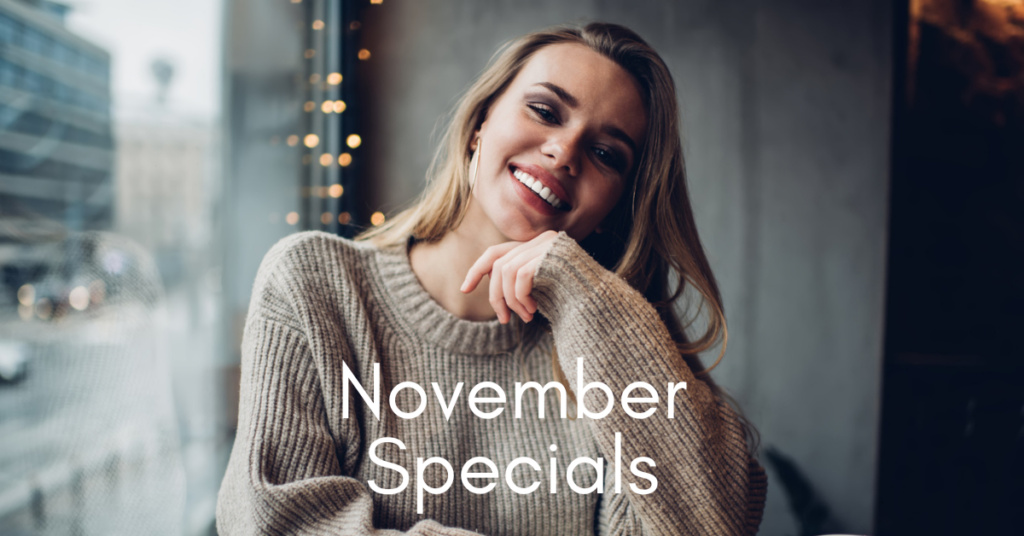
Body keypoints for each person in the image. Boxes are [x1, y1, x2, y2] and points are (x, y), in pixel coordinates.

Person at [217, 22, 767, 536]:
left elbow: (715, 522)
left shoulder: (610, 353)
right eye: (545, 110)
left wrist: (589, 297)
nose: (564, 150)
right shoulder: (314, 285)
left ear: (616, 207)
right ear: (481, 122)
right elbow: (271, 522)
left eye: (606, 153)